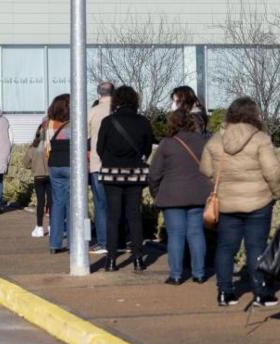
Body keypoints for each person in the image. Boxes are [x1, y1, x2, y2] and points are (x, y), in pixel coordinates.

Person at [200, 97, 280, 307]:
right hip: (258, 201)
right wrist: (277, 193)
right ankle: (261, 293)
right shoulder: (261, 139)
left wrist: (224, 185)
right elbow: (273, 171)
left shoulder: (216, 140)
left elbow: (206, 169)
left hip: (227, 203)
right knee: (256, 247)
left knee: (226, 247)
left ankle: (225, 292)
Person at [149, 110, 211, 285]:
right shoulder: (204, 142)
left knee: (176, 235)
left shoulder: (167, 144)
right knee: (197, 234)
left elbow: (155, 173)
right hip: (198, 194)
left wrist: (155, 192)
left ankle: (176, 275)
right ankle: (199, 273)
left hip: (172, 195)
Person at [97, 85, 154, 272]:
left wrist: (111, 159)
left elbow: (99, 147)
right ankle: (138, 258)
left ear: (116, 101)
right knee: (134, 215)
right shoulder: (143, 122)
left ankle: (111, 260)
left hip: (112, 173)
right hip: (135, 174)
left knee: (113, 216)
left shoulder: (108, 121)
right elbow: (147, 148)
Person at [87, 82, 113, 254]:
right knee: (118, 203)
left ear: (99, 94)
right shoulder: (118, 110)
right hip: (119, 165)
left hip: (97, 163)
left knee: (101, 204)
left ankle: (103, 242)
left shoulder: (92, 112)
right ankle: (119, 240)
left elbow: (84, 136)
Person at [43, 94, 71, 254]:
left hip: (54, 164)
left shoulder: (48, 124)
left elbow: (47, 148)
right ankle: (74, 244)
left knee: (58, 204)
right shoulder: (75, 123)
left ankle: (54, 243)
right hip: (71, 163)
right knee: (74, 205)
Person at [25, 121, 51, 238]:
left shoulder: (33, 147)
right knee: (52, 202)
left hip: (38, 176)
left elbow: (25, 163)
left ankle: (39, 227)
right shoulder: (51, 145)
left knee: (40, 202)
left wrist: (34, 166)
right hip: (50, 176)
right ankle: (52, 226)